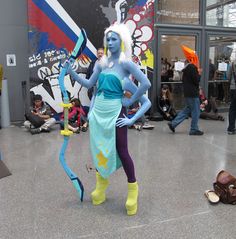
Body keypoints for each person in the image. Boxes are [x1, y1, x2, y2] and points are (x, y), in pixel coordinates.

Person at [66, 23, 151, 215]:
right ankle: (101, 187)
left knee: (122, 151)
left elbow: (145, 84)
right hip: (98, 114)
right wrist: (71, 72)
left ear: (122, 41)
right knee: (99, 150)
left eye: (114, 39)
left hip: (116, 113)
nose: (110, 42)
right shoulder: (100, 63)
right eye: (108, 39)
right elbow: (89, 83)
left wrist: (130, 107)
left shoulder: (126, 64)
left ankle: (132, 190)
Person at [167, 58, 204, 135]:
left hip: (187, 93)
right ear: (192, 60)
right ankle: (194, 129)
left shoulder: (186, 69)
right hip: (193, 93)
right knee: (196, 111)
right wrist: (199, 73)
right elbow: (196, 80)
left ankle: (173, 124)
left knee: (187, 110)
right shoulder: (192, 68)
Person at [227, 61, 236, 134]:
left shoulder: (232, 64)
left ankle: (231, 128)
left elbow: (228, 76)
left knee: (232, 109)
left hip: (233, 88)